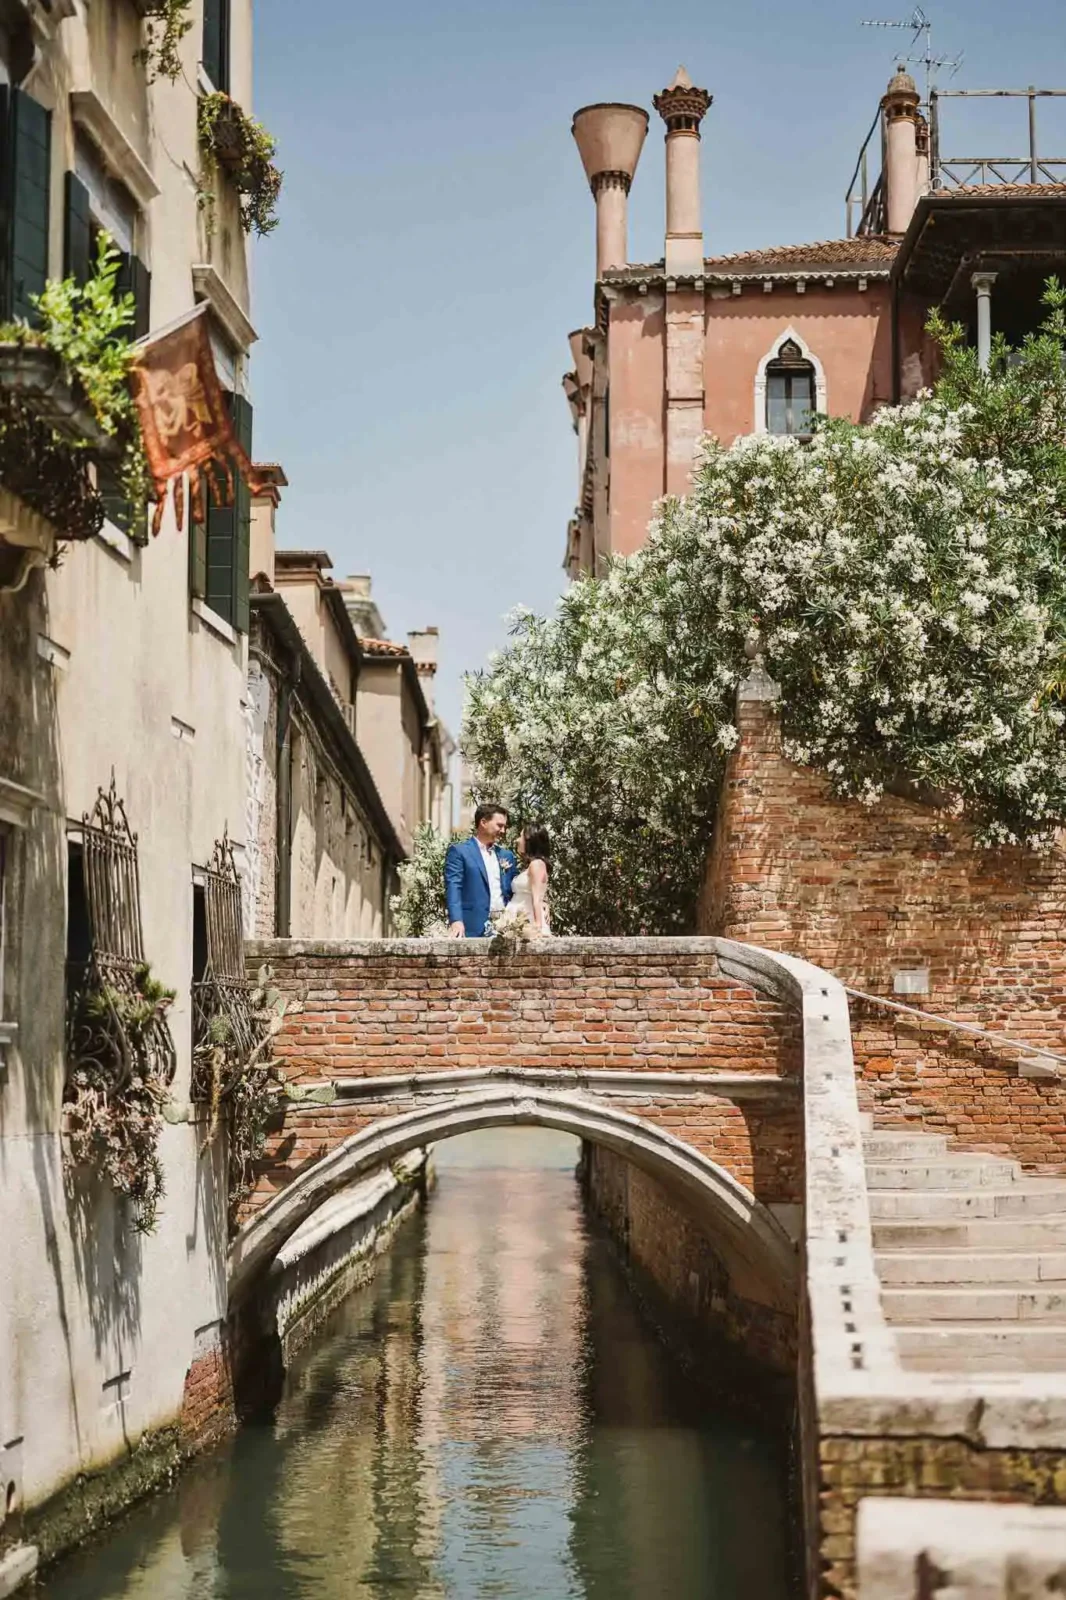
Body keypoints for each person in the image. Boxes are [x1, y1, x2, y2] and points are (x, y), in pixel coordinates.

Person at [444, 803, 517, 938]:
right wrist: (456, 920)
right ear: (483, 822)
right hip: (472, 925)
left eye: (504, 827)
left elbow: (516, 888)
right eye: (499, 825)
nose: (503, 831)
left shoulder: (507, 856)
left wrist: (542, 901)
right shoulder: (460, 852)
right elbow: (454, 887)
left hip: (505, 929)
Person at [498, 825, 552, 939]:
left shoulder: (536, 864)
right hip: (517, 917)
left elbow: (536, 898)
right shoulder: (531, 865)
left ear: (529, 841)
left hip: (528, 918)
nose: (517, 840)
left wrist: (537, 926)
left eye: (520, 836)